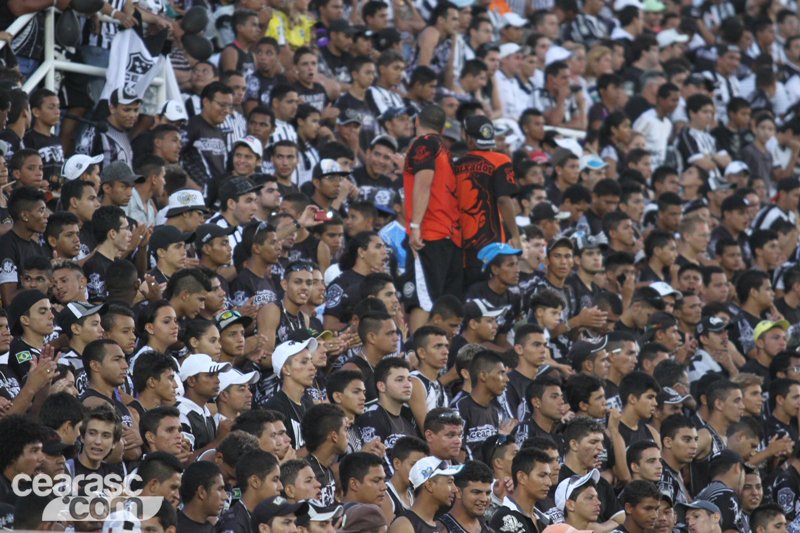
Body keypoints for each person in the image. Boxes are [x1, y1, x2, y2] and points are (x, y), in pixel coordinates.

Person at [403, 105, 463, 330]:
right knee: (440, 304)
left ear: (417, 121)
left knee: (423, 301)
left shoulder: (424, 143)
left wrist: (415, 226)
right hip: (449, 235)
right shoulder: (444, 150)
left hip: (429, 232)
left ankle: (417, 350)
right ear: (442, 128)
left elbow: (424, 184)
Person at [455, 350, 515, 460]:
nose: (507, 379)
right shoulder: (460, 408)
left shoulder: (496, 412)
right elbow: (457, 455)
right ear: (483, 376)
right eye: (501, 373)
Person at [388, 456, 463, 533]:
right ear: (429, 485)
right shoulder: (404, 526)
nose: (455, 489)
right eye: (449, 482)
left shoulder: (435, 525)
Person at [0, 186, 48, 306]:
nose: (46, 215)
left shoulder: (35, 246)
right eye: (41, 210)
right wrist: (41, 285)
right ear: (24, 216)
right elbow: (8, 299)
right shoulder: (6, 246)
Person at [302, 403, 348, 505]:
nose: (347, 436)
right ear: (334, 436)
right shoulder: (307, 473)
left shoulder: (326, 470)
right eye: (345, 430)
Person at [437, 460, 494, 533]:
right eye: (477, 492)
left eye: (487, 493)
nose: (484, 499)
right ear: (458, 492)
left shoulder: (489, 531)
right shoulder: (440, 529)